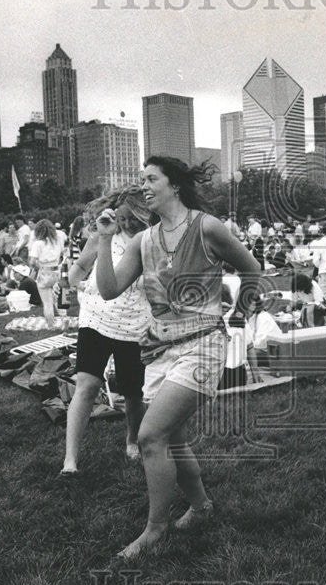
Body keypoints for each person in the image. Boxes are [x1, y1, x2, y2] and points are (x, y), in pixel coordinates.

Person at [95, 155, 261, 558]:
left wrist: (240, 312)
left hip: (203, 344)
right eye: (142, 180)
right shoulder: (143, 240)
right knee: (171, 436)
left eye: (151, 179)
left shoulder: (206, 227)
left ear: (174, 185)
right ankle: (202, 507)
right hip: (162, 348)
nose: (144, 186)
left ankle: (155, 530)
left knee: (150, 436)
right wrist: (103, 239)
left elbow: (251, 268)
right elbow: (109, 289)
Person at [61, 187, 154, 474]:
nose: (126, 224)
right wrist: (69, 278)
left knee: (133, 393)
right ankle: (70, 461)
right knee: (87, 385)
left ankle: (131, 440)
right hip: (96, 319)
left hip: (135, 325)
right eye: (122, 218)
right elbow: (79, 269)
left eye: (132, 219)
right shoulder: (103, 235)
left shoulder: (152, 241)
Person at [27, 219, 65, 328]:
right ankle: (64, 321)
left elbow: (32, 262)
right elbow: (62, 255)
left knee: (48, 302)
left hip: (44, 272)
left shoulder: (37, 244)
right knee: (61, 299)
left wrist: (38, 268)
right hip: (57, 271)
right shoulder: (58, 242)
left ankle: (50, 326)